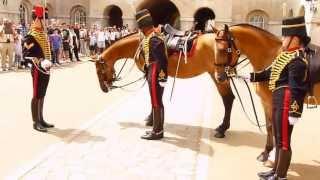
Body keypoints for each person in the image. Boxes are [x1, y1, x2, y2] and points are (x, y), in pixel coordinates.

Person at [241, 16, 310, 180]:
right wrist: (246, 76)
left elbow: (297, 89)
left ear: (295, 39)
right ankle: (275, 171)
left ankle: (281, 175)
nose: (282, 39)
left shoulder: (298, 60)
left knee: (284, 140)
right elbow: (269, 73)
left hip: (286, 100)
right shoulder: (285, 56)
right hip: (278, 98)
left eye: (286, 36)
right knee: (278, 138)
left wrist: (295, 112)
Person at [135, 9, 168, 140]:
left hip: (155, 73)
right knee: (157, 100)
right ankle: (157, 128)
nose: (141, 30)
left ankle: (158, 131)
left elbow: (161, 60)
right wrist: (146, 67)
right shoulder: (152, 37)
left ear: (144, 27)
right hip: (152, 71)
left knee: (156, 100)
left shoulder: (153, 38)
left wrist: (161, 77)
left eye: (141, 28)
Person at [23, 5, 55, 132]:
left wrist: (48, 62)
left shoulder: (43, 34)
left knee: (42, 94)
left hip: (46, 69)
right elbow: (26, 55)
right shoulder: (31, 36)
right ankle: (35, 122)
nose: (45, 21)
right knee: (36, 95)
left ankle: (41, 119)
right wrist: (40, 61)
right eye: (43, 19)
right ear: (36, 20)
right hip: (37, 69)